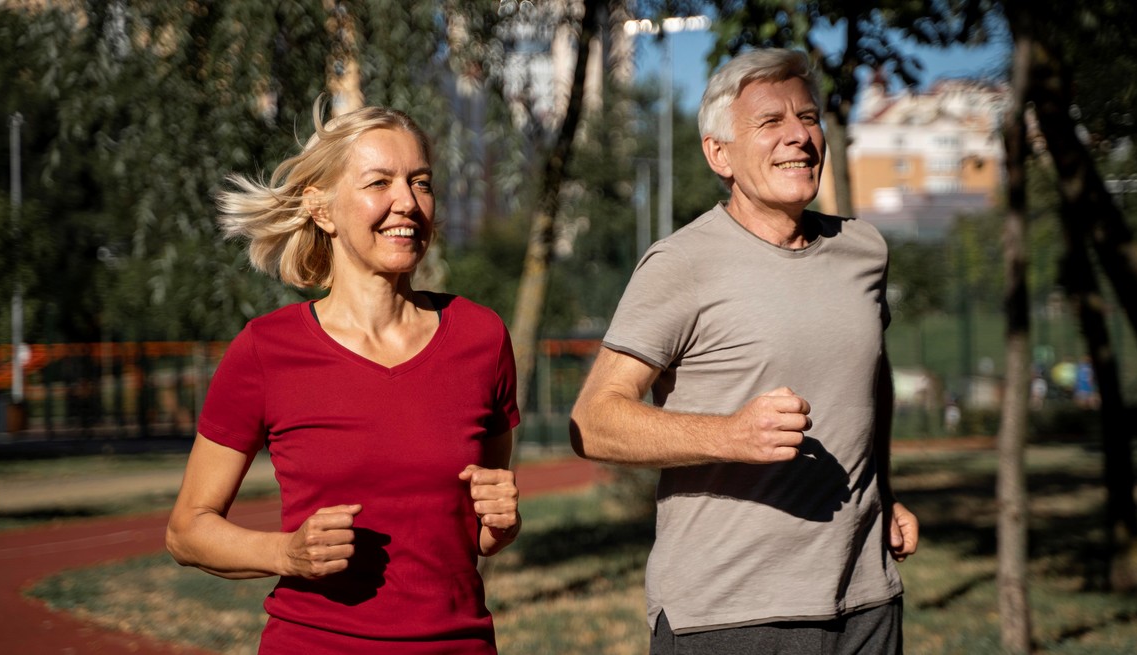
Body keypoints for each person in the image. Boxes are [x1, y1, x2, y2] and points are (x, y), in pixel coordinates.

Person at [569, 48, 919, 654]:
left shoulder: (864, 249)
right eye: (770, 122)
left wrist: (884, 494)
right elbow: (593, 422)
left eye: (807, 117)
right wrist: (728, 435)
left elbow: (871, 379)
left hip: (866, 600)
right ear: (719, 154)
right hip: (729, 613)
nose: (799, 136)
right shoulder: (680, 263)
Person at [166, 99, 521, 654]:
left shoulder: (482, 337)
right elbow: (186, 530)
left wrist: (499, 528)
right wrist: (287, 554)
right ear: (322, 208)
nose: (408, 202)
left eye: (421, 182)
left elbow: (475, 533)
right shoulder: (265, 350)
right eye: (379, 182)